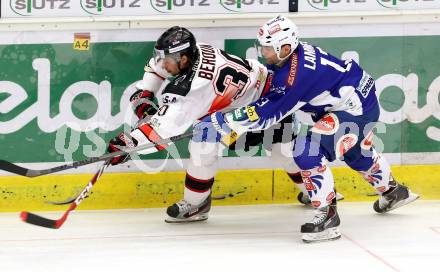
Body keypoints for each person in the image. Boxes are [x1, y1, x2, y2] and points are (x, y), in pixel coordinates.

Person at [194, 15, 419, 243]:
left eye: (268, 49)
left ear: (285, 47)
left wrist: (223, 121)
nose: (263, 53)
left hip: (355, 109)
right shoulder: (291, 58)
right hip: (357, 98)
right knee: (354, 152)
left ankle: (328, 216)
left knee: (306, 149)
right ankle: (394, 192)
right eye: (262, 47)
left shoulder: (296, 76)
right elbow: (274, 101)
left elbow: (269, 112)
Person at [107, 26, 311, 223]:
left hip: (268, 104)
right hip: (255, 95)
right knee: (270, 150)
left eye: (166, 60)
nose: (162, 64)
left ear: (184, 59)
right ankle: (197, 201)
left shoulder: (191, 89)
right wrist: (147, 90)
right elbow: (156, 66)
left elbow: (161, 131)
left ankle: (314, 190)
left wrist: (128, 143)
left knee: (209, 145)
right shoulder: (196, 48)